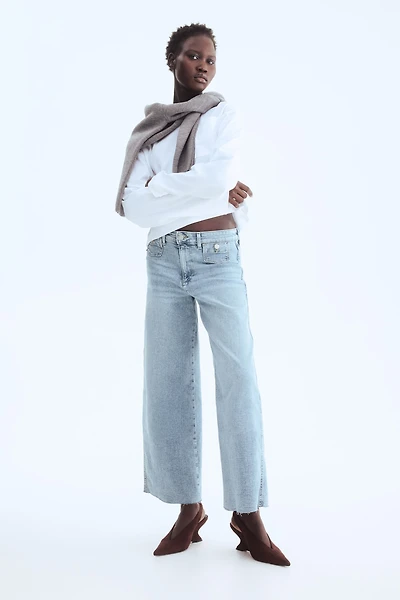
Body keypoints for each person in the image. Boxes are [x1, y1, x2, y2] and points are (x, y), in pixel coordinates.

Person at [114, 23, 290, 566]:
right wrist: (207, 190)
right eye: (194, 57)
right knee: (168, 384)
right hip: (163, 260)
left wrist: (165, 189)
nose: (204, 66)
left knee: (239, 382)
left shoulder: (222, 115)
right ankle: (189, 510)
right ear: (174, 60)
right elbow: (133, 206)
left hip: (217, 258)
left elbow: (216, 179)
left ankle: (247, 513)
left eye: (211, 59)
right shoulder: (150, 132)